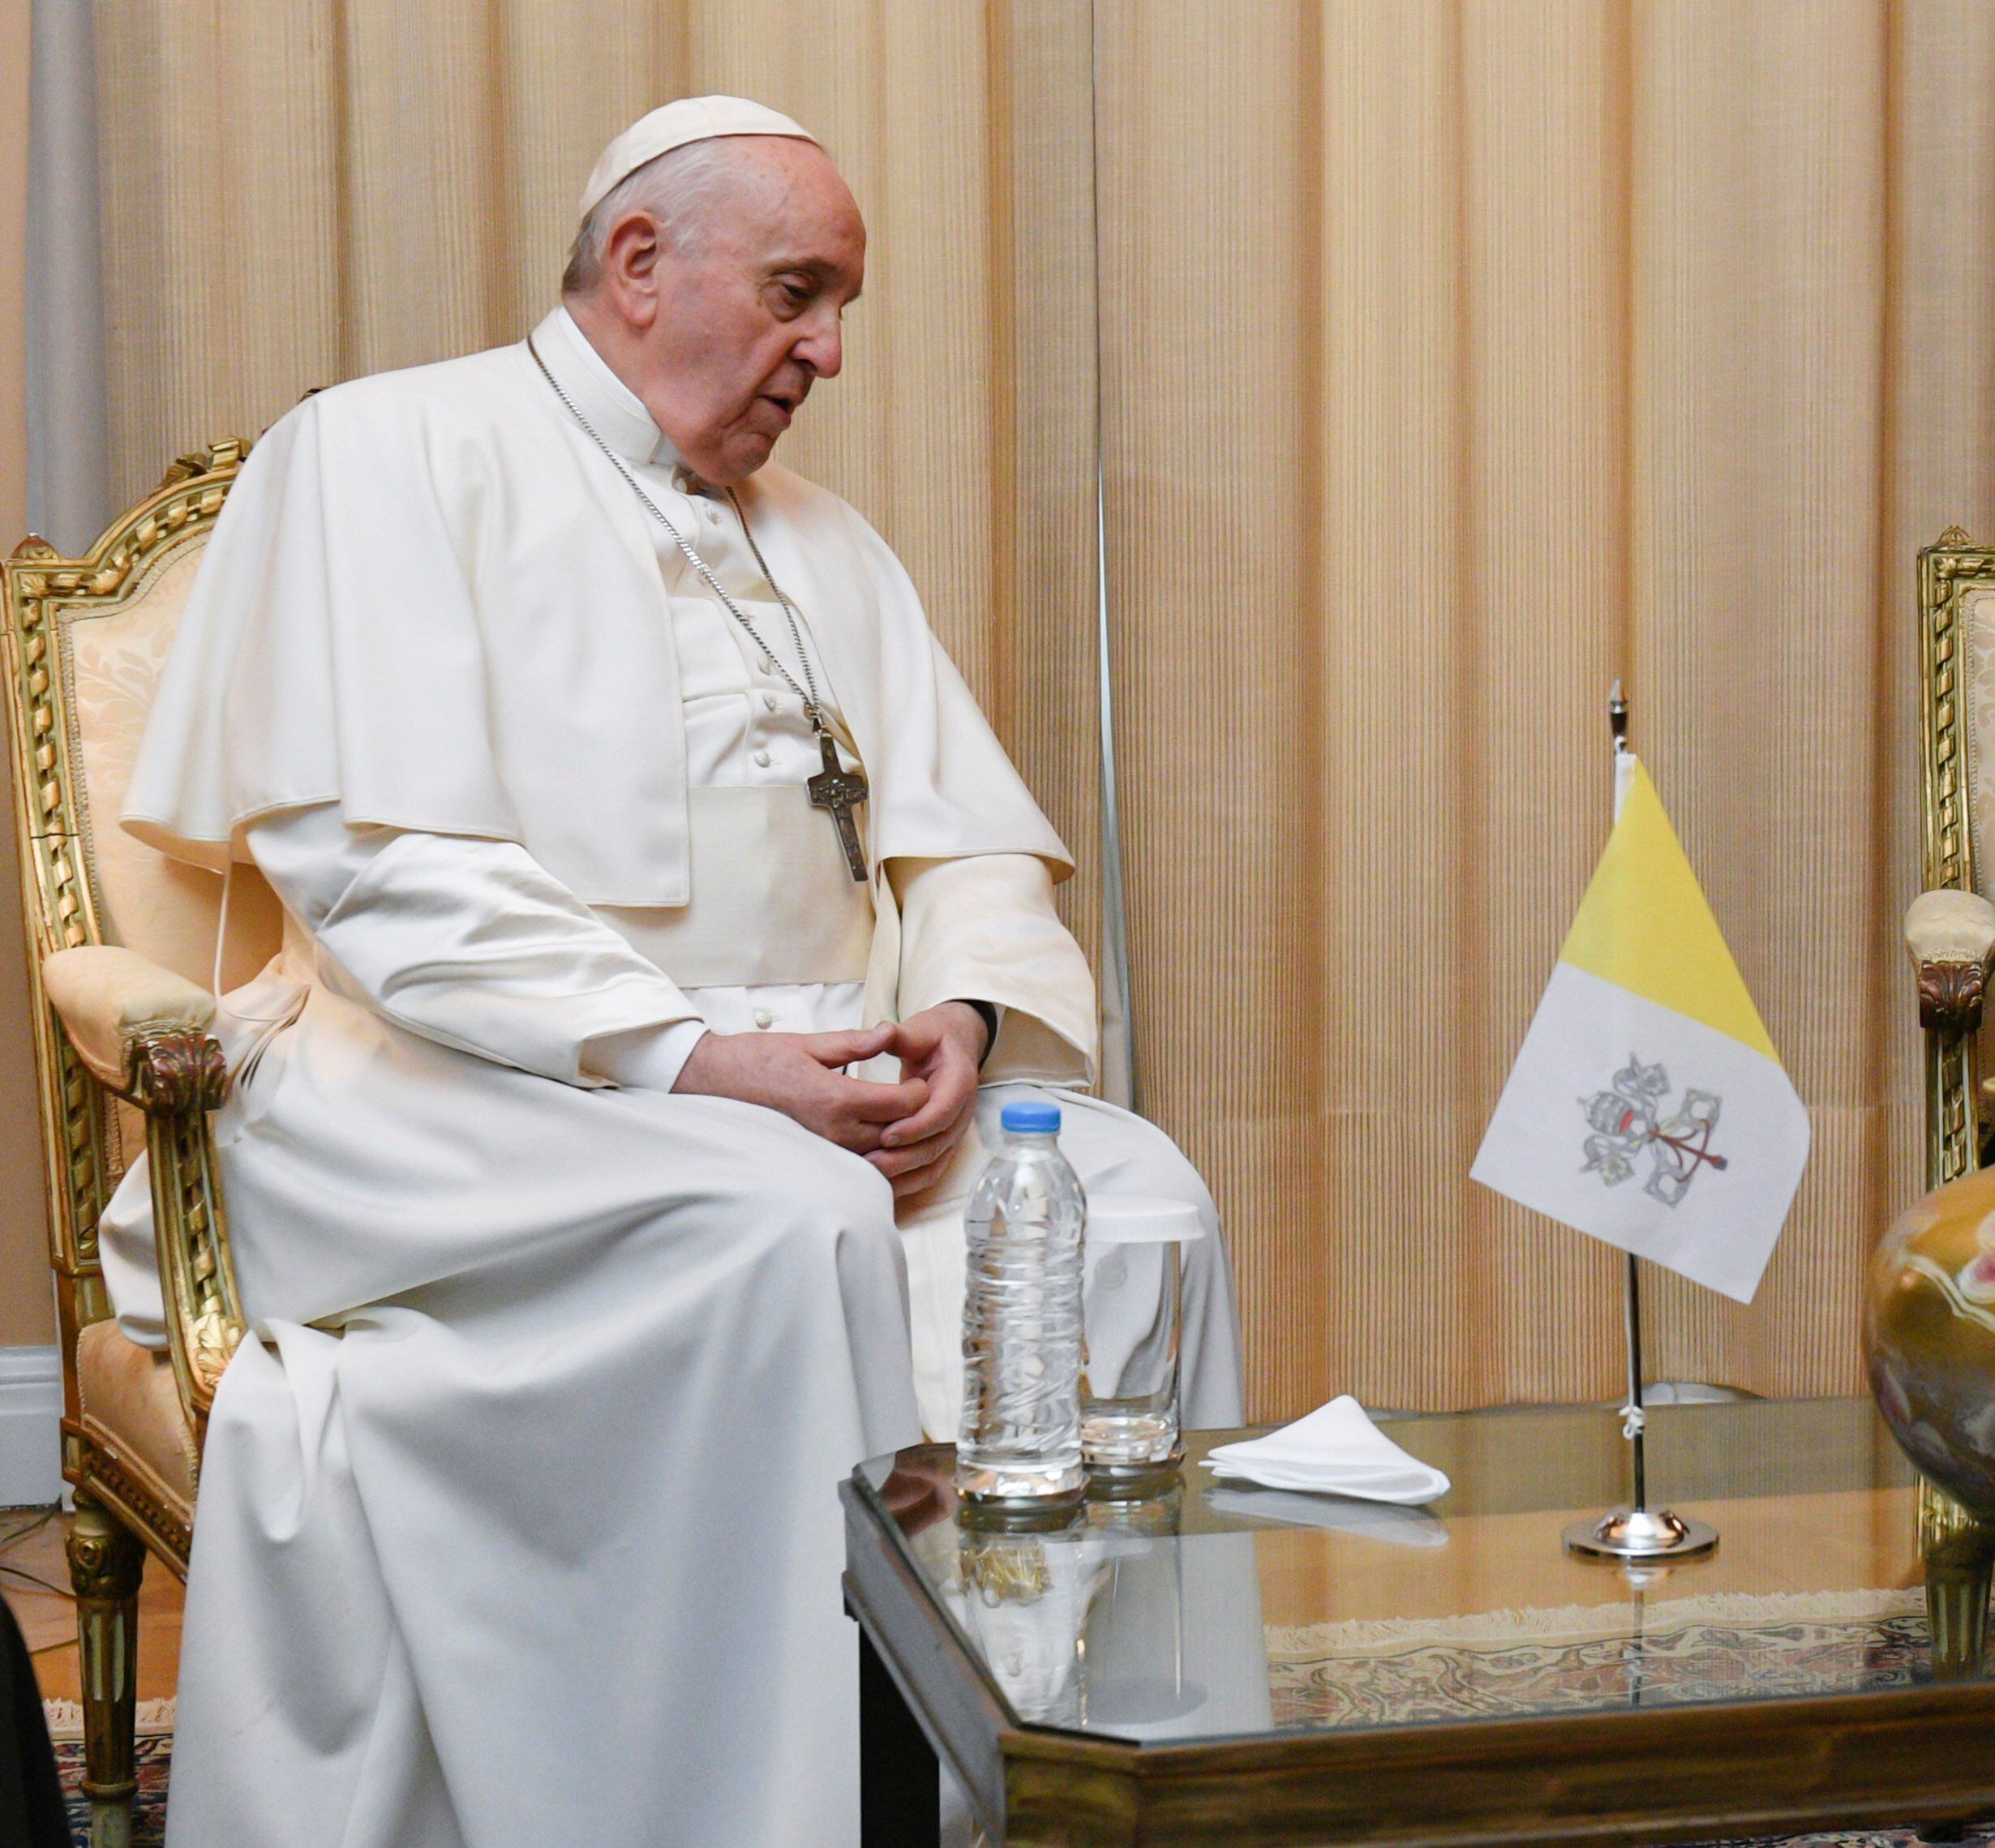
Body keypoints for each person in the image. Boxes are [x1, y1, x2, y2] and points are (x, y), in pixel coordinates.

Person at [100, 96, 1238, 1847]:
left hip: (814, 1078)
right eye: (798, 292)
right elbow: (378, 872)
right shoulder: (383, 450)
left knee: (1136, 1196)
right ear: (641, 262)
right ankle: (789, 1804)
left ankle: (1095, 1789)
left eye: (842, 305)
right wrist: (702, 1062)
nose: (828, 351)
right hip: (460, 1077)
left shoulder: (824, 537)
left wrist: (961, 1017)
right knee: (786, 1226)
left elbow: (966, 848)